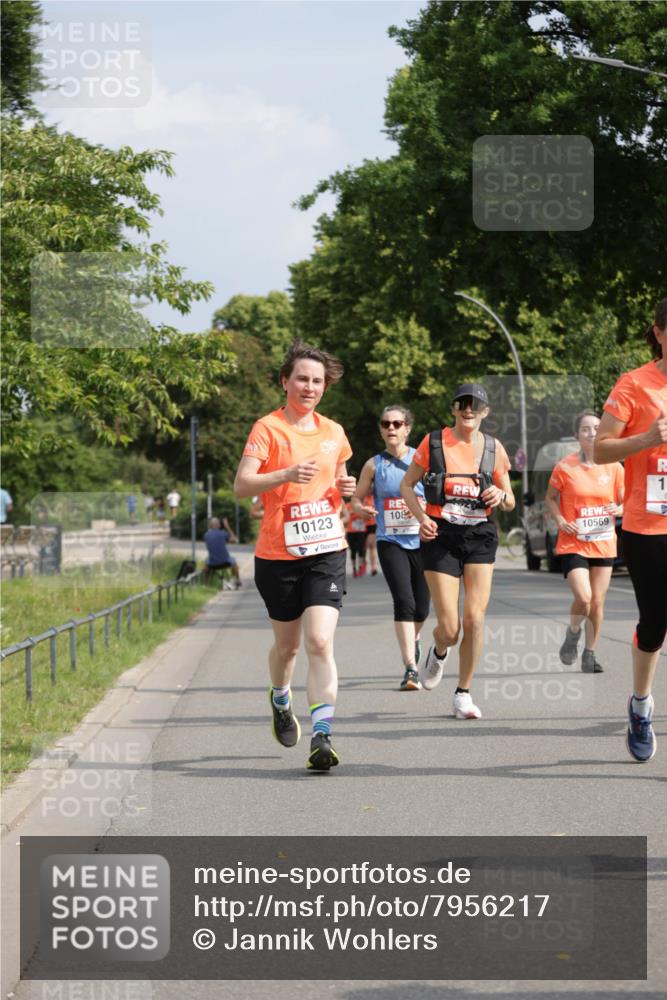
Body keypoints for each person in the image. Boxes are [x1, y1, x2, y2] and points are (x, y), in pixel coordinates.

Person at [234, 339, 355, 771]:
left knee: (320, 640)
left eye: (317, 381)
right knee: (286, 650)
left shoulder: (334, 432)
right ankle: (280, 698)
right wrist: (284, 473)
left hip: (325, 548)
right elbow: (242, 485)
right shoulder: (267, 428)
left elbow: (341, 485)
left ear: (326, 386)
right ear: (285, 381)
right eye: (302, 378)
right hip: (277, 552)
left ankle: (322, 736)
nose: (309, 387)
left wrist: (348, 492)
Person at [400, 383, 515, 719]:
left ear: (485, 412)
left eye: (476, 406)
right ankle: (438, 650)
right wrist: (421, 517)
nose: (469, 410)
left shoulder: (494, 448)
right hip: (441, 535)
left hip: (479, 535)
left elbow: (508, 500)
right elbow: (407, 484)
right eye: (463, 404)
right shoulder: (434, 442)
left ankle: (463, 693)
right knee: (450, 628)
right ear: (453, 409)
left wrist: (499, 495)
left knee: (475, 619)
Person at [595, 297, 667, 762]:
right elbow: (601, 449)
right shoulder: (634, 384)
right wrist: (648, 438)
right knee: (655, 624)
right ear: (660, 332)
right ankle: (640, 704)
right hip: (649, 525)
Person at [351, 405, 430, 690]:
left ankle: (415, 639)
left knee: (422, 607)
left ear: (407, 428)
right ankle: (410, 668)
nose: (391, 429)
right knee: (404, 602)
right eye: (386, 424)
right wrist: (361, 510)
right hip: (390, 540)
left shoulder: (422, 461)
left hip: (422, 541)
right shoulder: (374, 465)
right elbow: (356, 499)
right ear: (381, 429)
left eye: (397, 424)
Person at [546, 410, 624, 673]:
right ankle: (574, 631)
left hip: (603, 542)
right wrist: (559, 520)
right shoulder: (565, 467)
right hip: (573, 541)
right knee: (584, 597)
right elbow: (550, 498)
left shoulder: (614, 466)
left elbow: (625, 500)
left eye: (596, 428)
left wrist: (619, 509)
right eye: (586, 429)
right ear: (577, 436)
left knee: (598, 602)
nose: (592, 432)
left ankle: (589, 653)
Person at [203, 516, 241, 587]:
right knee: (234, 562)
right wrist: (227, 526)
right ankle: (237, 580)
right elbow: (235, 540)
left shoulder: (206, 535)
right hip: (225, 561)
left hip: (212, 563)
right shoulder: (223, 533)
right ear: (219, 525)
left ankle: (205, 584)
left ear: (210, 525)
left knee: (205, 563)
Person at [345, 499, 368, 577]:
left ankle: (360, 566)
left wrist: (355, 514)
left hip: (361, 531)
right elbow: (346, 516)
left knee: (361, 549)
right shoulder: (348, 506)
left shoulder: (362, 506)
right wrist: (354, 514)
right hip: (351, 532)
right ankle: (354, 568)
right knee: (353, 551)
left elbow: (365, 516)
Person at [363, 493, 379, 576]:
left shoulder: (376, 497)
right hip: (361, 527)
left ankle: (373, 567)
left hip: (372, 525)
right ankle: (363, 565)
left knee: (372, 545)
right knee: (364, 547)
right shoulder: (361, 497)